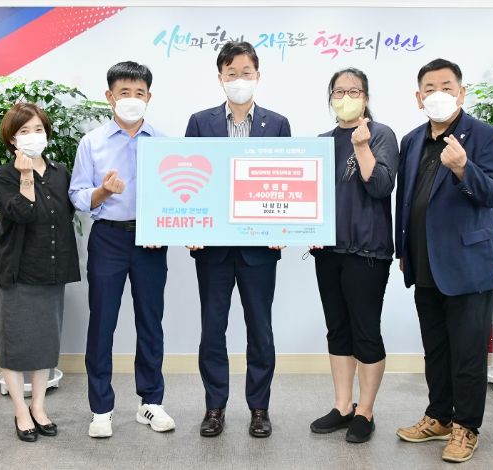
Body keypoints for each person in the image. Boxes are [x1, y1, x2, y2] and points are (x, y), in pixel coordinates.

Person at [395, 58, 493, 463]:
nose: (438, 94)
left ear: (462, 93)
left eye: (446, 86)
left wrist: (463, 168)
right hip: (424, 262)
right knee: (436, 348)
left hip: (468, 265)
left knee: (468, 352)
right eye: (430, 88)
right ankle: (439, 416)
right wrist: (403, 251)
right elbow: (405, 200)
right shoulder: (412, 141)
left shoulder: (486, 136)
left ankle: (466, 427)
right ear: (418, 97)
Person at [184, 41, 291, 438]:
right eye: (232, 73)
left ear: (257, 76)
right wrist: (189, 226)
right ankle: (215, 407)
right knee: (212, 330)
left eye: (246, 72)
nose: (239, 80)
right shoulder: (200, 122)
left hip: (259, 250)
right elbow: (189, 180)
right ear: (220, 78)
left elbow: (287, 181)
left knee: (260, 330)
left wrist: (285, 227)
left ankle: (259, 408)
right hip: (212, 248)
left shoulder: (277, 124)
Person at [69, 61, 175, 438]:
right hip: (109, 239)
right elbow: (78, 195)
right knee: (103, 322)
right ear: (109, 97)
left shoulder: (163, 143)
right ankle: (101, 408)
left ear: (149, 97)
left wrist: (164, 224)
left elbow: (177, 194)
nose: (132, 99)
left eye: (139, 93)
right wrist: (103, 191)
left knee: (150, 321)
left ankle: (151, 402)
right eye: (124, 92)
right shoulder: (92, 142)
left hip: (150, 241)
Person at [308, 68, 399, 443]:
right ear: (330, 97)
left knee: (365, 331)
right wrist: (309, 230)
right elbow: (309, 198)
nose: (346, 97)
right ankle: (343, 405)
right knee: (338, 329)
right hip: (328, 252)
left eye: (354, 91)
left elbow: (381, 186)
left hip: (367, 251)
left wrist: (362, 147)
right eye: (339, 91)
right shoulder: (322, 142)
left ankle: (366, 411)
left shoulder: (381, 135)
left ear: (366, 97)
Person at [0, 103, 81, 442]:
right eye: (25, 131)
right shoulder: (5, 174)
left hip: (52, 268)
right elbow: (23, 213)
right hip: (19, 271)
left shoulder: (60, 172)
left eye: (39, 129)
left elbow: (68, 214)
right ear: (12, 139)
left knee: (46, 343)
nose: (33, 136)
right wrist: (26, 175)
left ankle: (39, 407)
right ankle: (20, 411)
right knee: (15, 345)